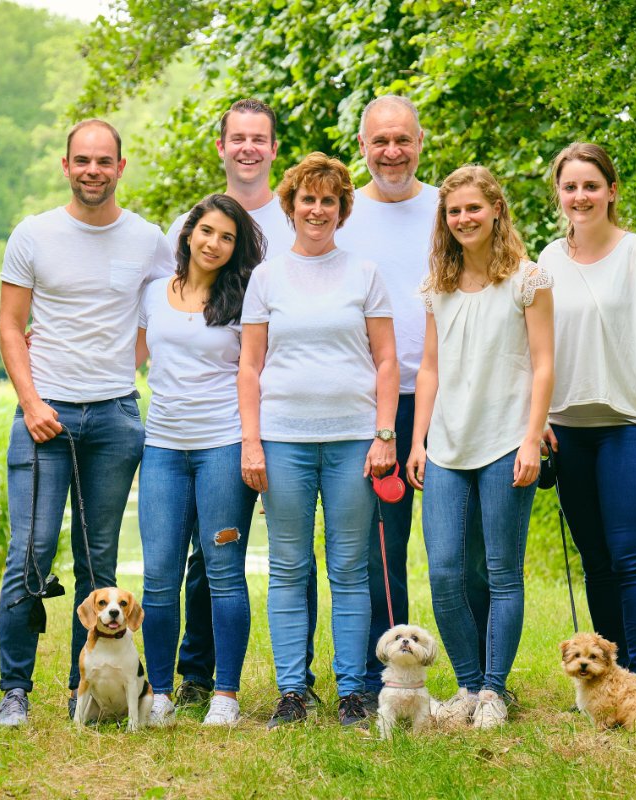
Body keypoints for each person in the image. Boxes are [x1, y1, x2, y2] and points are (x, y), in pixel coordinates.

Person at [0, 119, 175, 726]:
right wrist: (31, 401)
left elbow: (169, 309)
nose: (93, 170)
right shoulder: (34, 233)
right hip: (44, 417)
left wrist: (126, 363)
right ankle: (14, 691)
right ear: (66, 166)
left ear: (120, 167)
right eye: (82, 160)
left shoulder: (149, 239)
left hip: (117, 418)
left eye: (105, 161)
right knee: (32, 553)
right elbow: (10, 327)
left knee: (98, 562)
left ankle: (89, 692)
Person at [166, 100, 321, 710]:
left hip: (286, 414)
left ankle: (296, 682)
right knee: (212, 550)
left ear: (274, 149)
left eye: (260, 138)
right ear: (222, 146)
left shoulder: (298, 220)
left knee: (294, 550)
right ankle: (197, 674)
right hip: (214, 426)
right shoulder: (198, 220)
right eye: (238, 138)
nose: (249, 148)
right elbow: (163, 301)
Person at [238, 152, 399, 728]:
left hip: (355, 440)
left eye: (328, 200)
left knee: (350, 569)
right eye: (308, 199)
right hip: (282, 440)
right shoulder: (266, 277)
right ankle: (292, 691)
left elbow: (386, 360)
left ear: (342, 210)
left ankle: (354, 690)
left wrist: (385, 435)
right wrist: (251, 442)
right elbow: (250, 367)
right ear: (291, 206)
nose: (317, 209)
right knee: (287, 566)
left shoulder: (364, 273)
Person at [406, 165, 554, 728]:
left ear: (496, 211)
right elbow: (429, 371)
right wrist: (417, 441)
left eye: (473, 208)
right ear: (444, 221)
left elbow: (543, 366)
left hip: (505, 442)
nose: (464, 218)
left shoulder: (527, 280)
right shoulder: (436, 286)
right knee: (444, 571)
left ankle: (495, 692)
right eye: (453, 211)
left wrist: (532, 439)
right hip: (445, 444)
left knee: (501, 572)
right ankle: (468, 685)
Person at [540, 142, 636, 686]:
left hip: (632, 425)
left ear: (611, 190)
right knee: (596, 561)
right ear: (558, 193)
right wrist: (538, 422)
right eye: (570, 186)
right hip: (568, 429)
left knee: (630, 558)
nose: (580, 196)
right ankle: (608, 680)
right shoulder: (548, 262)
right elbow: (537, 351)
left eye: (591, 185)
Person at [136, 194, 265, 727]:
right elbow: (128, 355)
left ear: (237, 249)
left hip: (223, 447)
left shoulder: (246, 298)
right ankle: (160, 692)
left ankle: (225, 696)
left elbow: (258, 371)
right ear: (188, 234)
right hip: (163, 448)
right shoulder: (152, 293)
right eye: (207, 231)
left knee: (223, 572)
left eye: (227, 237)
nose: (215, 243)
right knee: (159, 576)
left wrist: (255, 445)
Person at [335, 95, 438, 706]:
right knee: (380, 547)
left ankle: (482, 682)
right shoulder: (343, 215)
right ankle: (386, 678)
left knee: (461, 550)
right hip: (374, 407)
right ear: (363, 145)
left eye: (402, 139)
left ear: (420, 142)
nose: (391, 151)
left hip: (451, 397)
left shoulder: (446, 206)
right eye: (380, 141)